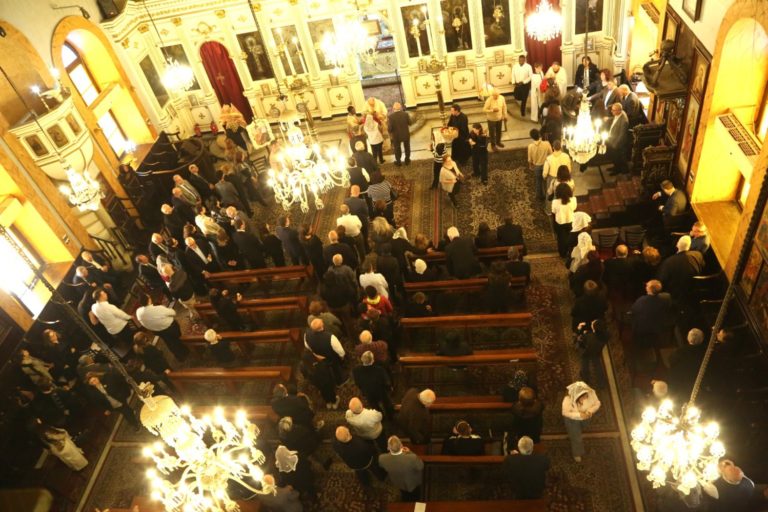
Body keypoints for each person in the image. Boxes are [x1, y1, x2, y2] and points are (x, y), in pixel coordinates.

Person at [135, 293, 189, 361]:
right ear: (149, 299)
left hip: (157, 331)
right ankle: (184, 349)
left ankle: (179, 355)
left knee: (169, 342)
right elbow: (173, 312)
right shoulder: (158, 309)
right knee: (176, 338)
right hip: (170, 328)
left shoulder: (138, 312)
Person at [657, 235, 705, 302]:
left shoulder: (668, 262)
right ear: (689, 246)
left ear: (677, 245)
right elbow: (703, 266)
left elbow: (662, 279)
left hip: (675, 293)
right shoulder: (698, 254)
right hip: (693, 287)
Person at [562, 381, 601, 462]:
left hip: (586, 417)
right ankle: (577, 453)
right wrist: (579, 415)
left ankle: (575, 432)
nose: (585, 398)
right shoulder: (567, 399)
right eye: (583, 397)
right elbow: (565, 413)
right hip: (572, 420)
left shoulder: (591, 393)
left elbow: (597, 403)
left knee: (583, 428)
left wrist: (590, 411)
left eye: (586, 396)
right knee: (576, 438)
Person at [379, 435, 424, 502]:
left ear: (388, 448)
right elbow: (421, 466)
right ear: (401, 446)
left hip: (397, 484)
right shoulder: (412, 457)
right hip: (413, 484)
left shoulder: (382, 458)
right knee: (416, 498)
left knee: (403, 498)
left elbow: (382, 466)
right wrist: (409, 452)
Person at [304, 318, 345, 386]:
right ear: (322, 325)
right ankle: (339, 381)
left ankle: (330, 381)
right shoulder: (330, 337)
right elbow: (340, 351)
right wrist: (342, 357)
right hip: (331, 358)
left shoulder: (306, 334)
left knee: (325, 369)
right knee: (336, 369)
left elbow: (307, 346)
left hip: (318, 358)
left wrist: (316, 354)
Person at [353, 351, 393, 418]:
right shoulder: (380, 370)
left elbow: (357, 383)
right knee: (386, 403)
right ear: (372, 360)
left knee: (374, 405)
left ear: (362, 359)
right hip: (381, 391)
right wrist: (390, 388)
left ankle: (380, 416)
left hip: (367, 392)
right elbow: (386, 382)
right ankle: (390, 416)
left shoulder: (356, 370)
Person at [542, 140, 571, 210]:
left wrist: (544, 177)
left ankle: (549, 210)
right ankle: (560, 209)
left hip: (552, 178)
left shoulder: (549, 158)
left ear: (553, 147)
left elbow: (545, 172)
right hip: (564, 177)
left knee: (550, 193)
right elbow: (569, 169)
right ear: (561, 147)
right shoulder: (566, 156)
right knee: (562, 193)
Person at [552, 183, 578, 257]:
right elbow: (574, 208)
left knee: (561, 239)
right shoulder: (573, 200)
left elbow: (553, 212)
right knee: (571, 237)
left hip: (560, 222)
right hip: (571, 221)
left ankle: (563, 253)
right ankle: (571, 252)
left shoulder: (555, 202)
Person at [528, 129, 553, 200]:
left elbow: (530, 159)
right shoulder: (547, 143)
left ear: (531, 137)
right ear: (539, 135)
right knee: (546, 181)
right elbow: (551, 154)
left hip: (537, 166)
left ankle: (539, 196)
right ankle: (547, 196)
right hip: (546, 165)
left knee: (538, 181)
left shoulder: (530, 146)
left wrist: (530, 166)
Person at [606, 103, 630, 175]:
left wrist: (615, 144)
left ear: (619, 110)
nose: (611, 111)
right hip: (613, 139)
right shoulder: (619, 114)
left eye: (613, 110)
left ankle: (617, 170)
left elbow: (622, 135)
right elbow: (615, 119)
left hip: (618, 142)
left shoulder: (624, 121)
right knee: (614, 156)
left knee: (618, 157)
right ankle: (615, 167)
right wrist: (608, 119)